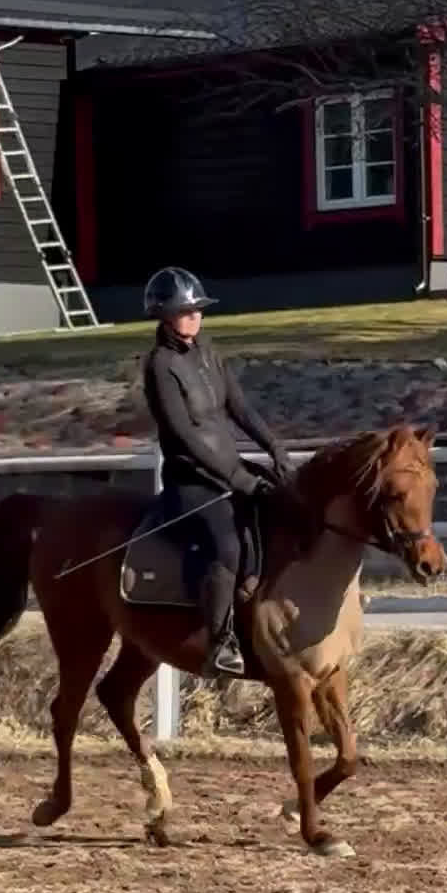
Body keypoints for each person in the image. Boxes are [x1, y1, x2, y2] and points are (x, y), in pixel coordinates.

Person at [142, 266, 293, 678]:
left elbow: (239, 407)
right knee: (226, 543)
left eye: (198, 309)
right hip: (191, 479)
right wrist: (238, 479)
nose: (195, 316)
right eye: (185, 310)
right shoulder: (160, 365)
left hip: (228, 465)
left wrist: (274, 447)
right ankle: (220, 642)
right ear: (164, 315)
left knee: (286, 506)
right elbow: (184, 435)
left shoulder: (208, 351)